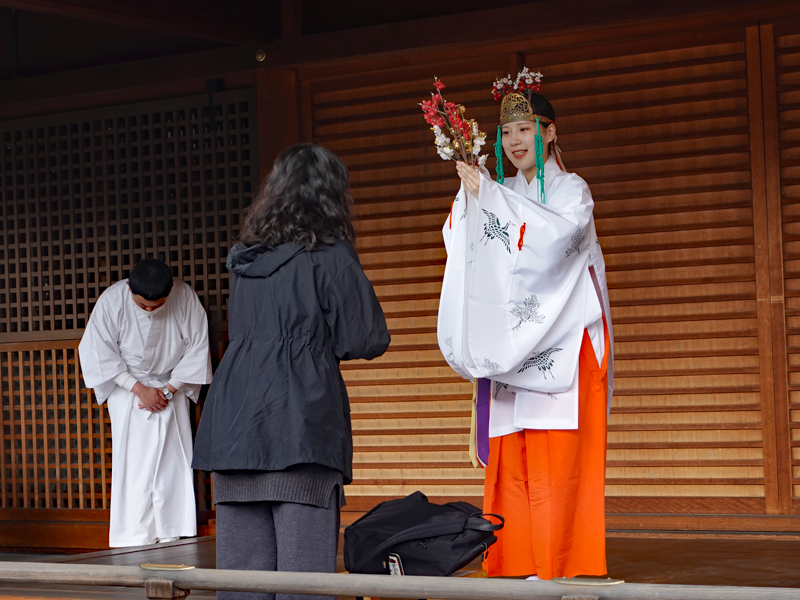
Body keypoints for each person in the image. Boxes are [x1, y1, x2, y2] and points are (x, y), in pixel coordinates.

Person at [192, 143, 390, 600]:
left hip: (233, 431)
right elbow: (366, 338)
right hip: (302, 426)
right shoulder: (331, 255)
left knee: (241, 586)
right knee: (304, 584)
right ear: (330, 195)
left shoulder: (245, 260)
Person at [438, 69, 614, 580]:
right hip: (513, 347)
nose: (516, 141)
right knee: (514, 454)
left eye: (527, 129)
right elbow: (466, 243)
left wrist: (491, 197)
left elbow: (554, 245)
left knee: (555, 457)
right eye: (507, 132)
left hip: (563, 342)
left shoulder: (573, 191)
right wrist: (473, 199)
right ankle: (516, 562)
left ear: (551, 131)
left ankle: (557, 562)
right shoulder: (500, 187)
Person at [78, 258, 213, 547]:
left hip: (171, 385)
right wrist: (139, 389)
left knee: (172, 459)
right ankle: (134, 534)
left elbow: (198, 345)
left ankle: (172, 528)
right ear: (129, 288)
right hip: (126, 388)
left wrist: (168, 390)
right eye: (143, 306)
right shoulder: (112, 300)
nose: (151, 311)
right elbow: (98, 350)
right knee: (134, 461)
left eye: (158, 306)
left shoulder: (184, 295)